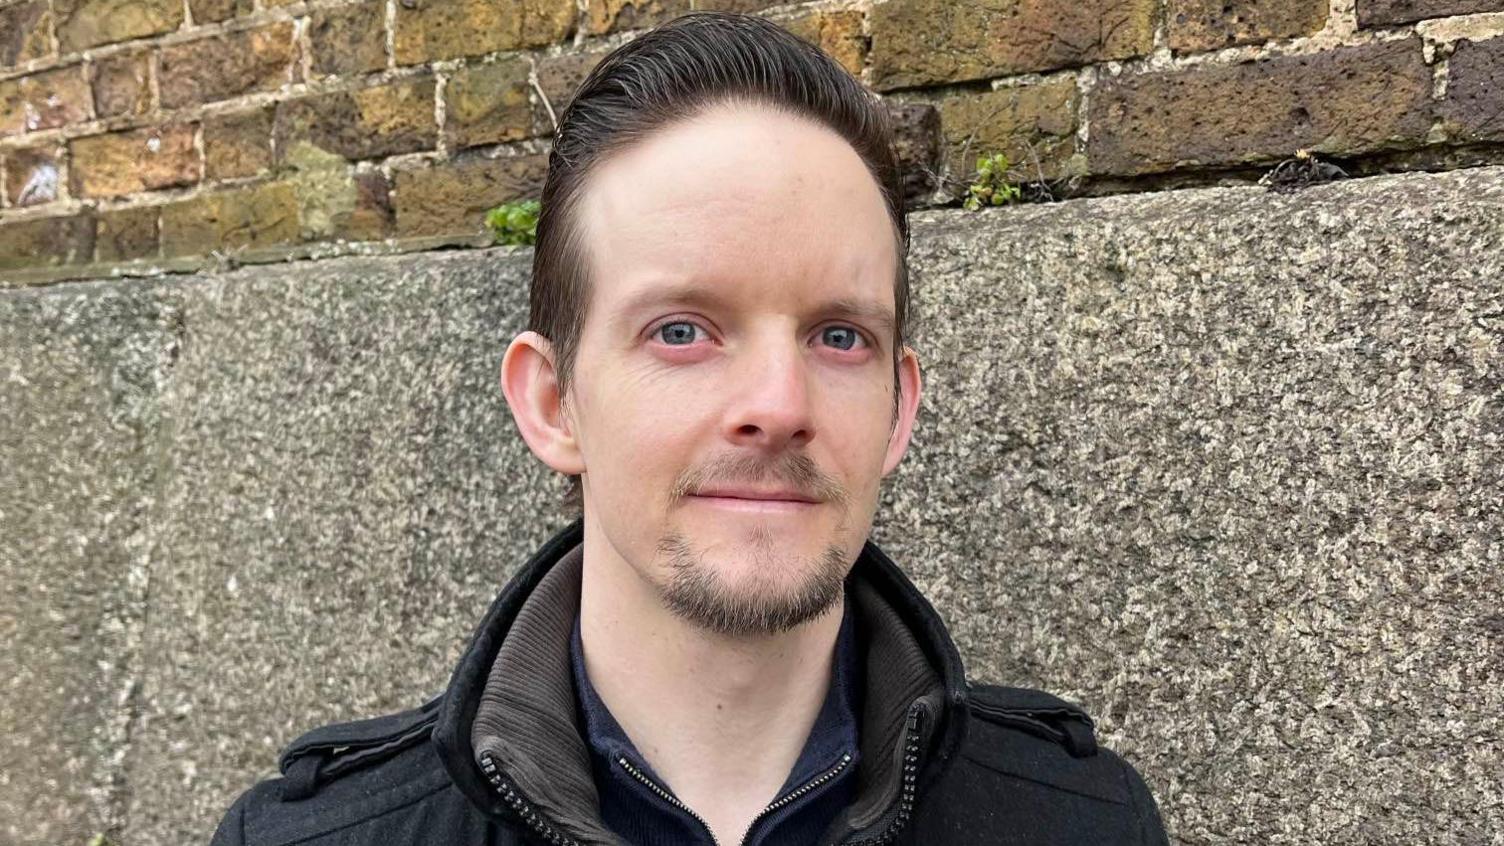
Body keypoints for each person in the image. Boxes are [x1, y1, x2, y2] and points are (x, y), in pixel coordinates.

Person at [210, 11, 1168, 845]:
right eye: (681, 331)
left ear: (898, 411)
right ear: (553, 404)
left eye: (840, 337)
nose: (779, 405)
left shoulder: (1083, 820)